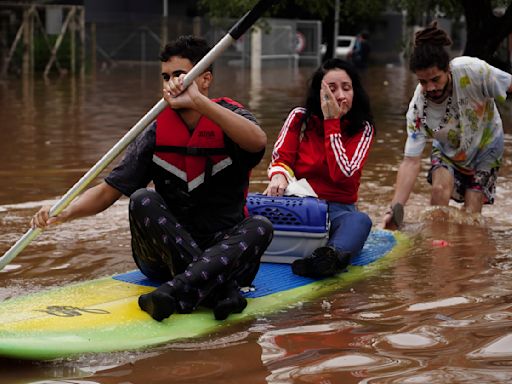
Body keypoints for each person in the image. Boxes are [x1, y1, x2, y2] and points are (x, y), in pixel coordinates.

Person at [31, 35, 273, 322]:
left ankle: (176, 291)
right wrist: (64, 211)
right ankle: (220, 293)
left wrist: (199, 102)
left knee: (260, 226)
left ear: (205, 79)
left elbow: (257, 142)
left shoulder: (231, 116)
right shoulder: (155, 131)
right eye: (166, 76)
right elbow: (109, 191)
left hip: (223, 255)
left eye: (180, 75)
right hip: (165, 258)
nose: (171, 83)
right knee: (142, 199)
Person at [381, 22, 512, 230]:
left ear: (448, 69)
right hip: (448, 150)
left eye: (435, 79)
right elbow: (410, 162)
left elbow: (509, 84)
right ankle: (437, 249)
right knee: (439, 192)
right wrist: (395, 209)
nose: (430, 88)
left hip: (487, 147)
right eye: (423, 82)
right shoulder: (418, 109)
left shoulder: (473, 71)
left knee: (472, 209)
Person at [265, 58, 375, 278]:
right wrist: (279, 176)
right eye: (331, 89)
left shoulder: (363, 129)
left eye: (347, 88)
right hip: (298, 205)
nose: (341, 96)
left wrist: (331, 123)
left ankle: (328, 258)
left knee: (361, 221)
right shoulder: (299, 118)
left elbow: (343, 174)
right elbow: (281, 158)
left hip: (337, 213)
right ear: (319, 94)